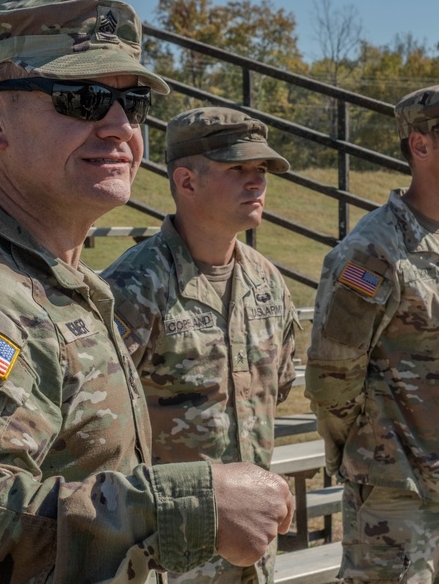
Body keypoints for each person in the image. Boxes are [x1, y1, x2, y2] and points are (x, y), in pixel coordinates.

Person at [0, 0, 294, 584]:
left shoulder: (52, 279)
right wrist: (192, 505)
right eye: (81, 99)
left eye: (132, 103)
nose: (118, 127)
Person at [306, 84, 439, 583]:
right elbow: (332, 379)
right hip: (400, 504)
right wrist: (369, 456)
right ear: (420, 146)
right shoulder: (372, 253)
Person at [102, 107, 299, 583]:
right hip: (168, 553)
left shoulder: (267, 281)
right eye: (238, 170)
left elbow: (282, 385)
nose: (257, 183)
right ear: (187, 182)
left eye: (261, 171)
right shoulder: (133, 287)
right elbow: (98, 429)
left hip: (251, 547)